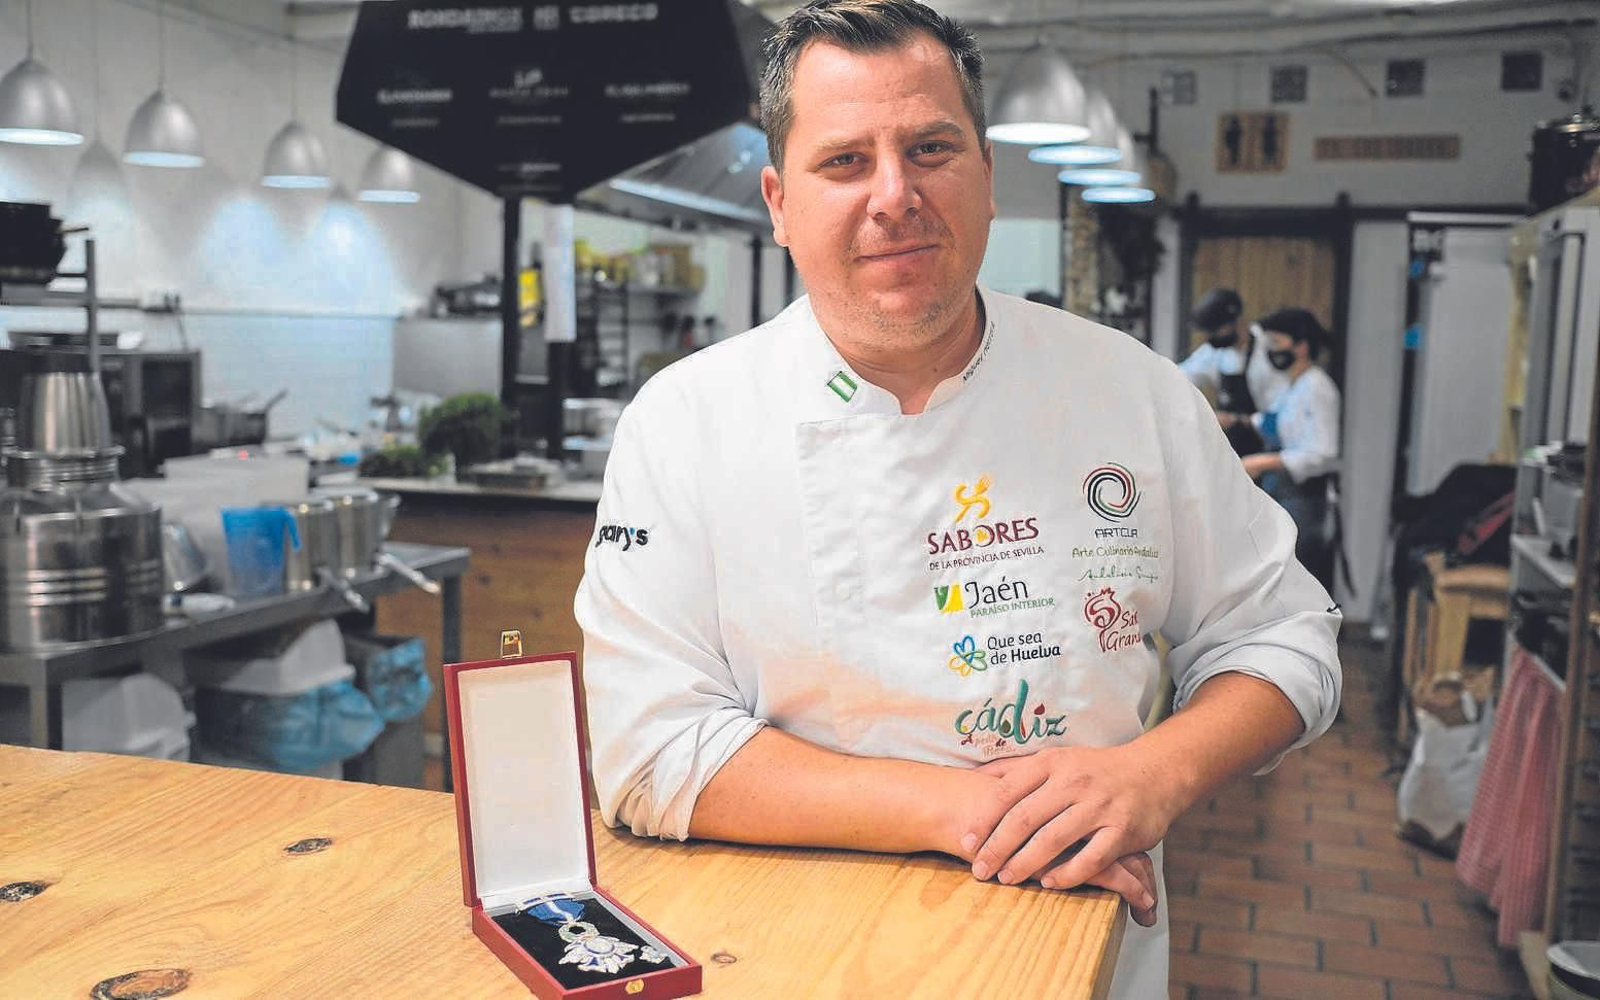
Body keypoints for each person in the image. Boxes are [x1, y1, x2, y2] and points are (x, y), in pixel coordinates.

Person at [573, 3, 1342, 997]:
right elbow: (646, 751)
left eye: (929, 148)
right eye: (844, 161)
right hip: (782, 951)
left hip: (1073, 949)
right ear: (777, 199)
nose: (894, 195)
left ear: (984, 173)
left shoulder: (1132, 391)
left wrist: (1154, 774)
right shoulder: (684, 423)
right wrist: (964, 811)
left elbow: (1284, 636)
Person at [1222, 307, 1343, 590]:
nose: (1271, 351)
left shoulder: (1318, 388)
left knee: (1297, 582)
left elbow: (1322, 454)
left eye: (1277, 343)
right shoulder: (1293, 386)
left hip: (1303, 500)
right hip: (1281, 494)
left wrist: (1262, 463)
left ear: (1301, 347)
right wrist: (1232, 420)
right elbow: (1273, 421)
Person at [1178, 286, 1289, 455]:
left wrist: (1234, 420)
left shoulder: (1267, 352)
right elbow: (1181, 376)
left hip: (1266, 449)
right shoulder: (1214, 352)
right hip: (1230, 450)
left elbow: (1280, 415)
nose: (1211, 336)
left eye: (1216, 330)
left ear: (1235, 322)